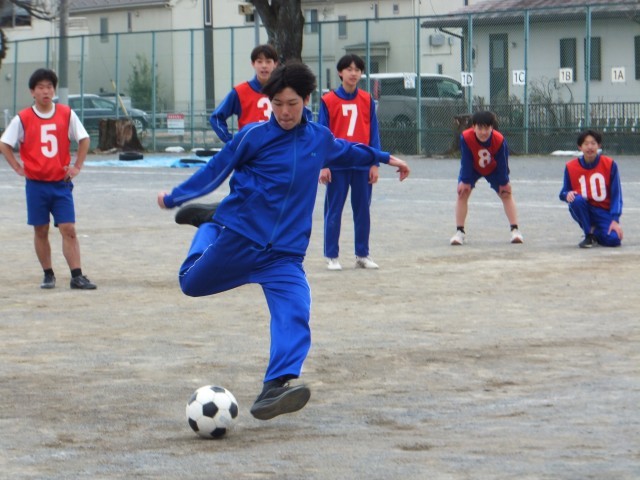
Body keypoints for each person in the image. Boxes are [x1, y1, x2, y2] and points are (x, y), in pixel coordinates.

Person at [157, 62, 409, 421]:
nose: (285, 112)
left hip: (284, 255)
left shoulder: (318, 138)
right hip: (242, 239)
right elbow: (216, 169)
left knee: (295, 310)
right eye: (277, 104)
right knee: (190, 284)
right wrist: (175, 197)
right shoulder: (253, 136)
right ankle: (210, 225)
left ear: (306, 100)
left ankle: (274, 387)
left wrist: (385, 158)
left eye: (292, 103)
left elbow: (348, 151)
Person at [0, 68, 97, 290]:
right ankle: (48, 274)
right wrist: (17, 166)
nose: (46, 91)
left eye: (49, 87)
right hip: (36, 185)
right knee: (41, 229)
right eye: (41, 87)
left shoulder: (66, 113)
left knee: (68, 228)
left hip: (61, 184)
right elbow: (4, 143)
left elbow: (84, 139)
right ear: (32, 92)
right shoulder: (23, 118)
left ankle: (77, 275)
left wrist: (77, 166)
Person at [174, 45, 280, 227]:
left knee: (272, 198)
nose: (264, 66)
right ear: (253, 64)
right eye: (259, 61)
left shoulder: (282, 91)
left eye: (268, 61)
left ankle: (218, 215)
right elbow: (217, 117)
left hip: (275, 153)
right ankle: (216, 216)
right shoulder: (240, 92)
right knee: (245, 193)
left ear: (275, 64)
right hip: (250, 155)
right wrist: (232, 142)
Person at [318, 54, 381, 271]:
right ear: (340, 72)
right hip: (337, 164)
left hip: (362, 163)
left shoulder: (367, 99)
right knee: (334, 210)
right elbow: (322, 135)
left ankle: (362, 254)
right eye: (349, 69)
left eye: (357, 70)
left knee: (363, 210)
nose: (353, 73)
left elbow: (374, 132)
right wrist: (323, 165)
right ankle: (331, 255)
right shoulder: (328, 100)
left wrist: (374, 163)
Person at [450, 110, 523, 245]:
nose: (483, 132)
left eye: (487, 128)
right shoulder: (466, 137)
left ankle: (515, 230)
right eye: (480, 128)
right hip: (473, 167)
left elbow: (503, 162)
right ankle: (460, 232)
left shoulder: (499, 139)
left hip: (492, 167)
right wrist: (465, 181)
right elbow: (466, 159)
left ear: (492, 127)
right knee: (462, 193)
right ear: (473, 127)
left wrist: (504, 181)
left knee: (506, 194)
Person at [559, 129, 623, 248]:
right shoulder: (571, 166)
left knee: (614, 240)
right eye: (586, 144)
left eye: (593, 143)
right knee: (576, 200)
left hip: (603, 211)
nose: (590, 147)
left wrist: (615, 220)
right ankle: (588, 234)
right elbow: (563, 193)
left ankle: (594, 232)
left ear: (599, 145)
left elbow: (616, 195)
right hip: (584, 207)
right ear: (580, 147)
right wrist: (567, 194)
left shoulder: (609, 164)